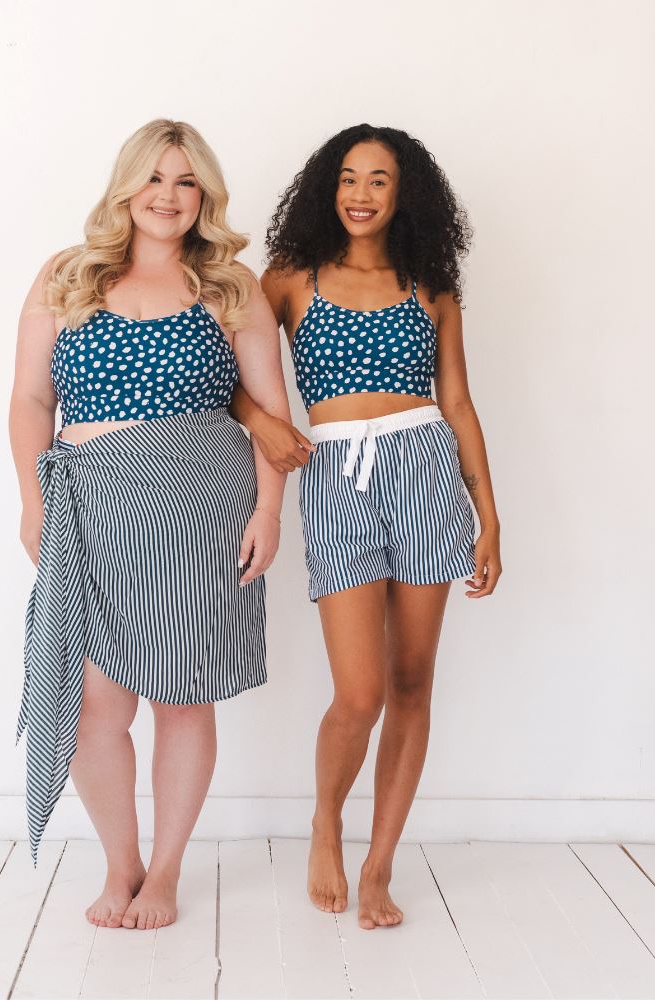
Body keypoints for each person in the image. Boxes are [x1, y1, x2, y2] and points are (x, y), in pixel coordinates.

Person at [9, 119, 290, 931]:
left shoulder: (229, 285)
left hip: (200, 511)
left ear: (205, 195)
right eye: (155, 178)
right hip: (90, 507)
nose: (168, 196)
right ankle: (121, 862)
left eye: (186, 181)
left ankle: (164, 873)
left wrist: (269, 510)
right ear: (126, 185)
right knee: (95, 705)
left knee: (181, 697)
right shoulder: (66, 274)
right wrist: (32, 500)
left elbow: (269, 411)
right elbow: (30, 399)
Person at [230, 124, 502, 930]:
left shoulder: (431, 286)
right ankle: (327, 822)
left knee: (412, 681)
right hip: (336, 476)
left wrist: (489, 516)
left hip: (425, 469)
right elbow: (229, 370)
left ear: (403, 192)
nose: (360, 193)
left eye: (379, 179)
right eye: (349, 177)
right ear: (328, 187)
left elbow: (457, 402)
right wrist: (263, 423)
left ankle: (380, 864)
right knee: (359, 693)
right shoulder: (289, 279)